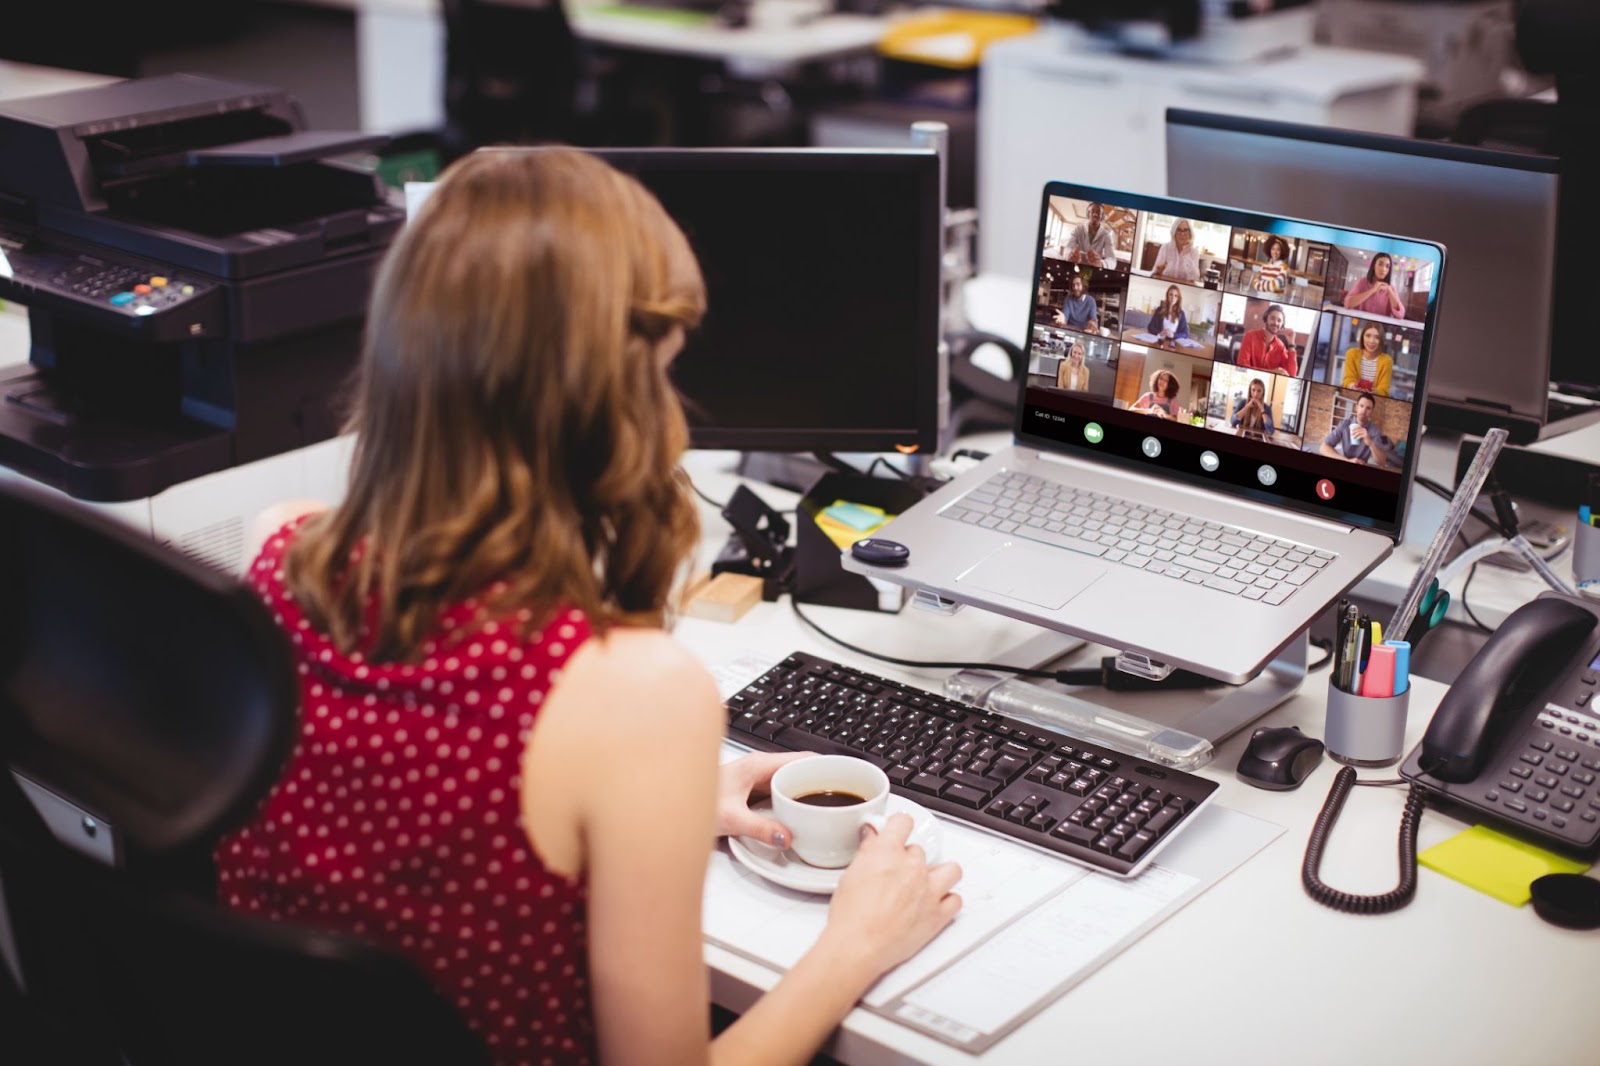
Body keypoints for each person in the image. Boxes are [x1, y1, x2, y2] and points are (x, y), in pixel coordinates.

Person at [215, 149, 962, 1066]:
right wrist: (859, 943)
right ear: (608, 400)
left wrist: (657, 806)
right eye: (664, 372)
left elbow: (421, 853)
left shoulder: (279, 551)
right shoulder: (630, 692)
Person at [1320, 391, 1399, 469]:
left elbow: (1382, 462)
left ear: (1371, 411)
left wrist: (1370, 443)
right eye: (1361, 406)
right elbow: (1323, 448)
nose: (1364, 411)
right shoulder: (1344, 424)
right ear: (1356, 407)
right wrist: (1347, 460)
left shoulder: (1375, 431)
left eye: (1368, 408)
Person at [1235, 304, 1299, 377]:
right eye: (1272, 318)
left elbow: (1292, 374)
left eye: (1279, 320)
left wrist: (1291, 344)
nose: (1275, 323)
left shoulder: (1280, 346)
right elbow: (1241, 367)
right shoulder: (1250, 336)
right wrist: (1271, 372)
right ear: (1266, 319)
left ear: (1282, 325)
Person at [1342, 252, 1406, 318]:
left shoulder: (1391, 288)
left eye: (1387, 266)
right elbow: (1347, 303)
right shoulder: (1362, 282)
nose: (1383, 269)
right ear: (1374, 266)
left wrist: (1389, 291)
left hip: (1381, 327)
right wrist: (1372, 290)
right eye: (1380, 264)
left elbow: (1400, 315)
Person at [1341, 322, 1394, 396]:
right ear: (1362, 337)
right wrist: (1353, 386)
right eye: (1368, 336)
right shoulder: (1351, 354)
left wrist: (1375, 392)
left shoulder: (1387, 361)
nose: (1371, 341)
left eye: (1377, 337)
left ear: (1381, 340)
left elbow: (1384, 390)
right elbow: (1347, 380)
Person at [1066, 202, 1118, 268]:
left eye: (1098, 212)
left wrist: (1101, 264)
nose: (1095, 214)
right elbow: (1068, 247)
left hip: (1095, 269)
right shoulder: (1078, 229)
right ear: (1088, 214)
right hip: (1077, 266)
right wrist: (1069, 256)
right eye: (1092, 211)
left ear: (1102, 217)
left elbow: (1112, 260)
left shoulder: (1106, 235)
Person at [1150, 219, 1200, 283]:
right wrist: (1157, 271)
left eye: (1185, 230)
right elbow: (1153, 272)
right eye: (1179, 230)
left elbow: (1195, 278)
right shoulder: (1165, 248)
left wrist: (1186, 255)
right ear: (1174, 232)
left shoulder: (1194, 252)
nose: (1182, 234)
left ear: (1190, 233)